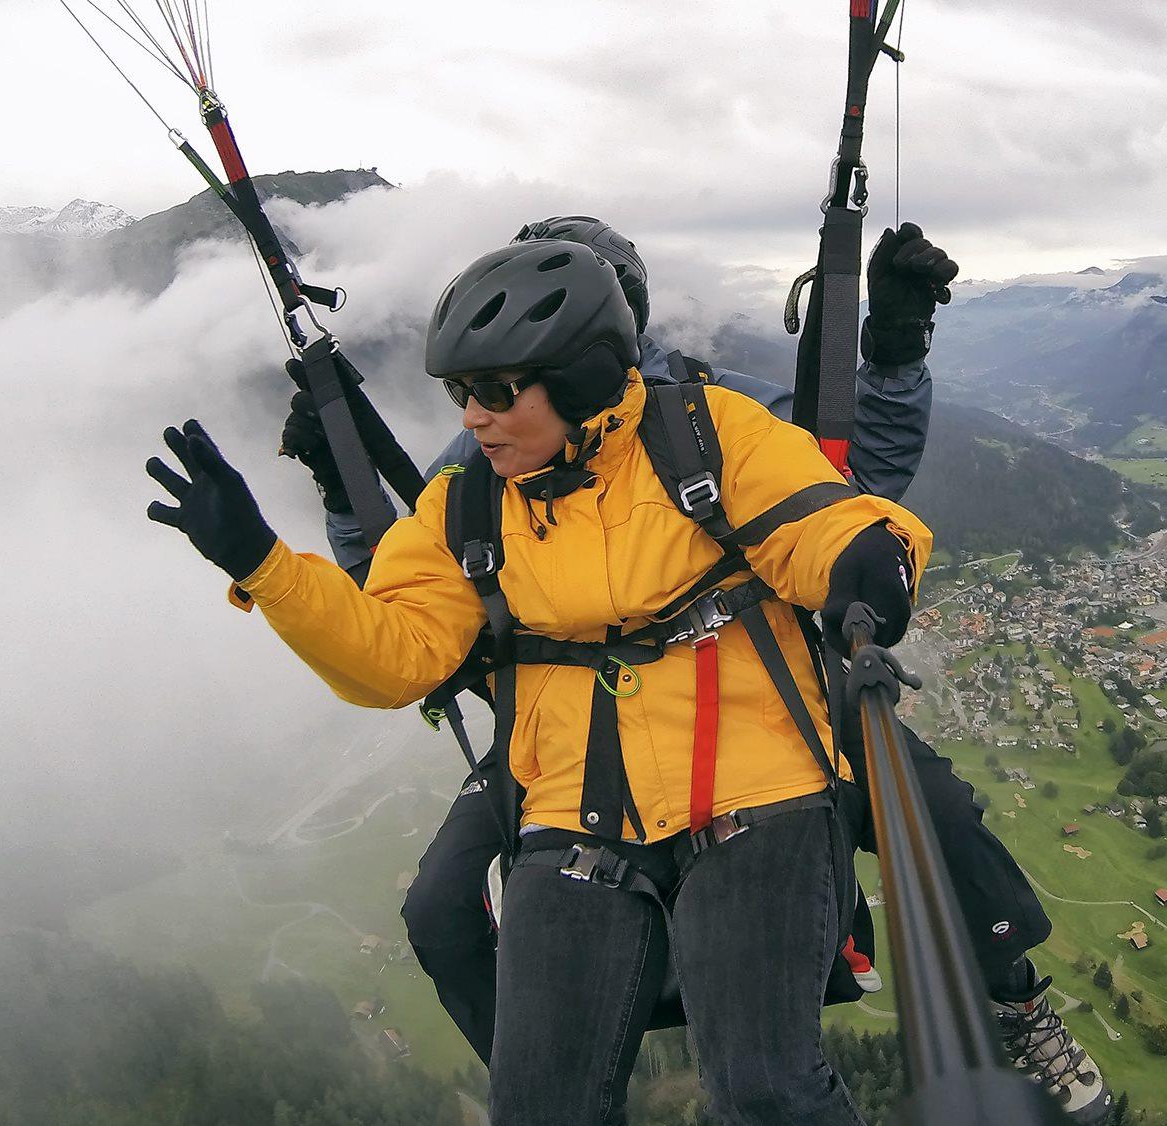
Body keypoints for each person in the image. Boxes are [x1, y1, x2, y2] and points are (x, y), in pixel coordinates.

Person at [283, 216, 1112, 1122]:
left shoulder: (702, 415)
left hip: (752, 678)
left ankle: (1013, 1001)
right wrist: (340, 486)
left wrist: (894, 350)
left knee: (936, 814)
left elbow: (844, 484)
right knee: (441, 910)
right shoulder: (501, 448)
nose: (477, 411)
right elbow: (412, 584)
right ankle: (551, 1065)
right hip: (566, 717)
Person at [149, 238, 931, 1124]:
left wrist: (867, 560)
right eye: (460, 392)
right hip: (575, 805)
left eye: (494, 390)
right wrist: (261, 563)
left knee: (765, 1088)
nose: (472, 417)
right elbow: (397, 657)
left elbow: (815, 519)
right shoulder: (466, 504)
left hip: (758, 783)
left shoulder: (707, 434)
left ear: (582, 378)